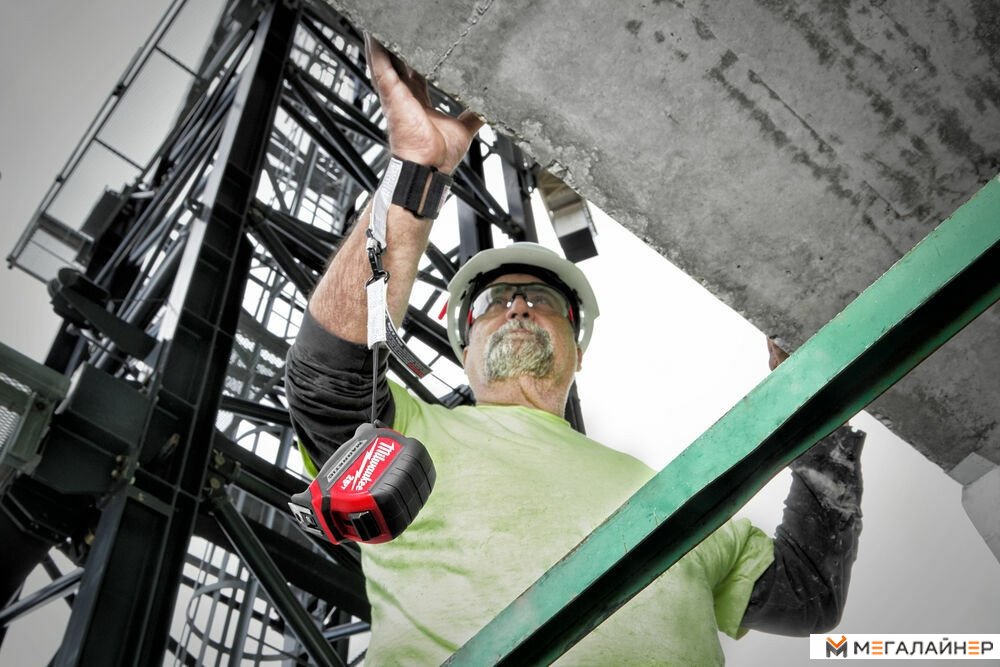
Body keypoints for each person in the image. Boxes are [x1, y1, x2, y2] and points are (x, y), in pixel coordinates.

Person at [285, 35, 865, 665]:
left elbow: (808, 595)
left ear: (578, 351)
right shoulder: (407, 439)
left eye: (541, 298)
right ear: (464, 346)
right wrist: (416, 172)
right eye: (494, 300)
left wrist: (821, 416)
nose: (518, 306)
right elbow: (327, 380)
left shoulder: (669, 500)